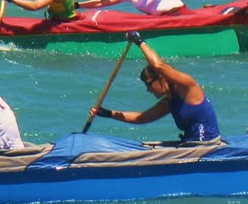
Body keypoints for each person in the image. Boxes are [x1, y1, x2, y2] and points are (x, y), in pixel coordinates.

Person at [89, 33, 221, 142]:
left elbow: (159, 66)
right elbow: (141, 118)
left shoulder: (187, 86)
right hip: (190, 145)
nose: (148, 89)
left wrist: (139, 41)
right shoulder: (169, 101)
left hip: (206, 147)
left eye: (148, 84)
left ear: (160, 78)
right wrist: (109, 113)